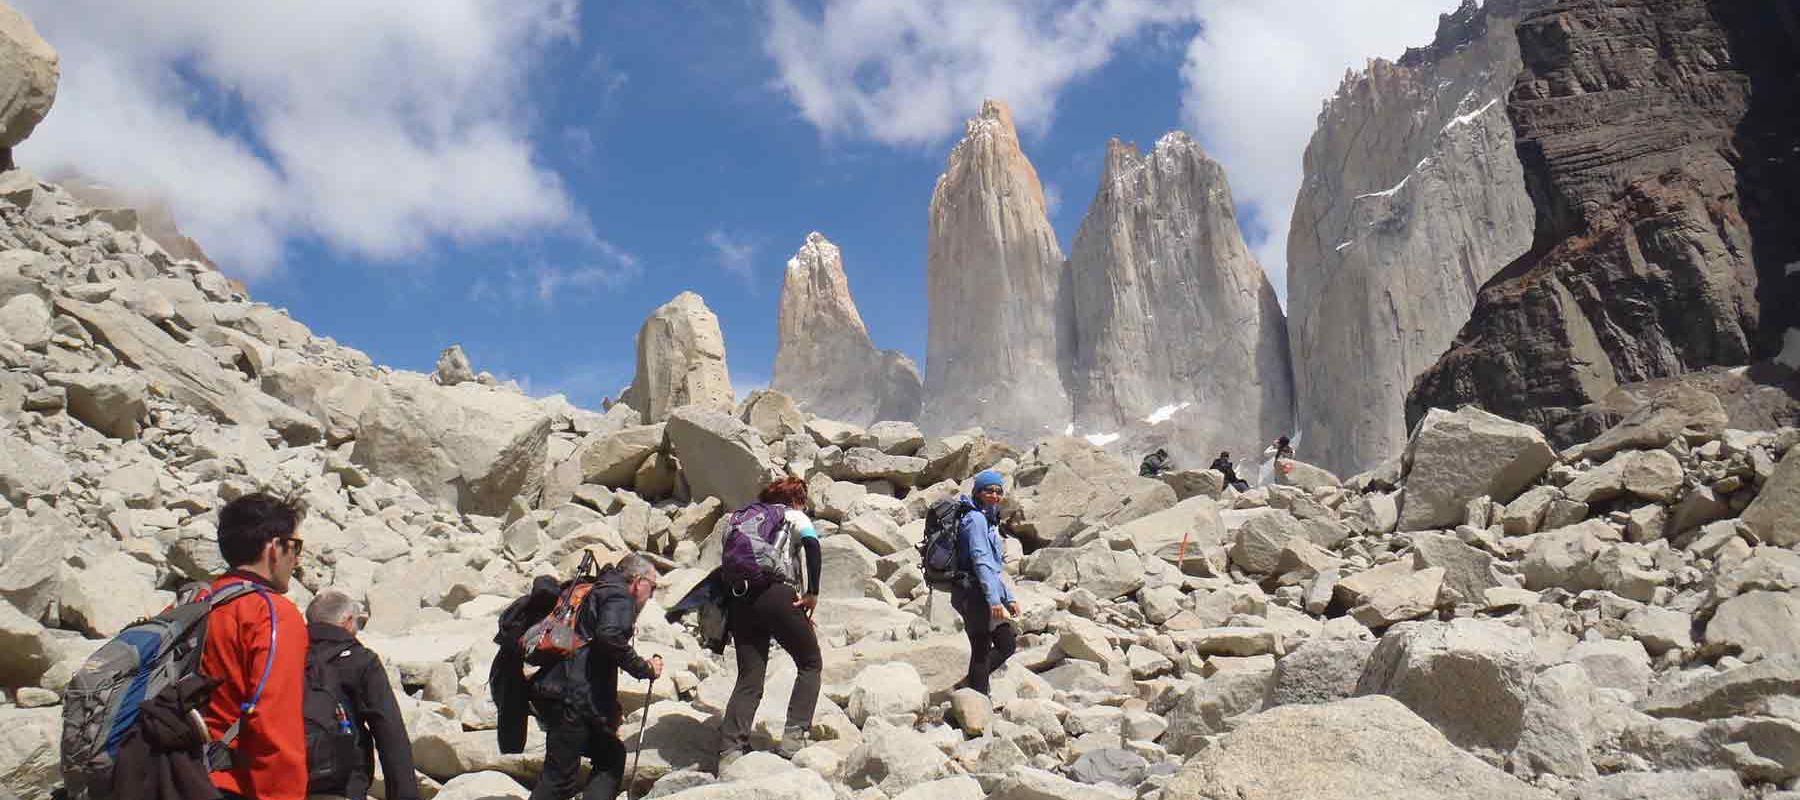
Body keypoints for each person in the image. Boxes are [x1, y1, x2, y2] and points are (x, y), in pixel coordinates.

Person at [201, 492, 311, 800]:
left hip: (173, 776)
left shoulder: (193, 602)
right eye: (295, 546)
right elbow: (273, 721)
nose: (297, 559)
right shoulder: (271, 613)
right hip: (232, 784)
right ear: (275, 548)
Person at [528, 553, 664, 800]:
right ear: (637, 581)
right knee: (558, 781)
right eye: (652, 587)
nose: (651, 595)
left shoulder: (597, 589)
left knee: (610, 755)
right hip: (574, 699)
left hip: (560, 691)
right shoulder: (620, 596)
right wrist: (645, 668)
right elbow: (609, 637)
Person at [718, 478, 824, 770]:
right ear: (798, 499)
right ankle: (793, 740)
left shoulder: (740, 519)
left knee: (750, 676)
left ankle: (730, 751)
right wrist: (812, 593)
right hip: (777, 593)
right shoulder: (793, 515)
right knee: (810, 662)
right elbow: (813, 548)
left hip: (739, 600)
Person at [304, 590, 419, 800]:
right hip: (344, 786)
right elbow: (390, 733)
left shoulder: (286, 655)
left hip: (288, 784)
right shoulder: (360, 660)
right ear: (347, 621)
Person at [953, 470, 1020, 696]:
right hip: (974, 592)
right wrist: (994, 600)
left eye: (998, 491)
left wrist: (1007, 598)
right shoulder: (975, 520)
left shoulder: (986, 518)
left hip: (983, 590)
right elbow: (981, 561)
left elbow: (992, 567)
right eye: (988, 490)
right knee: (982, 650)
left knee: (1005, 644)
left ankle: (970, 687)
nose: (994, 495)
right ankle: (978, 706)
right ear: (978, 492)